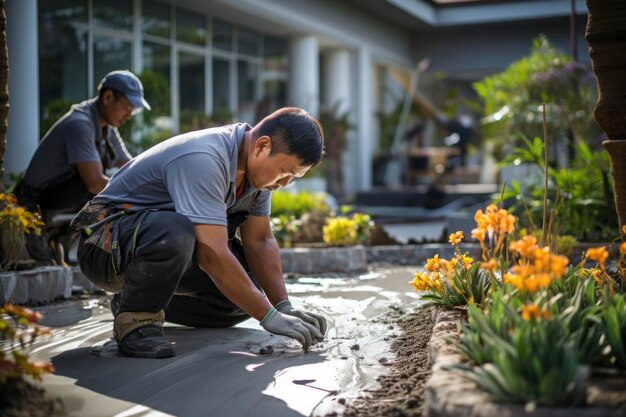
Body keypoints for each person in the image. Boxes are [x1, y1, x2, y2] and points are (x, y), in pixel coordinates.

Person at [70, 107, 328, 359]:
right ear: (262, 146)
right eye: (285, 172)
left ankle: (137, 297)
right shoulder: (204, 157)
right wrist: (269, 317)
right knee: (178, 232)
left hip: (150, 249)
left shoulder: (257, 180)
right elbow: (210, 252)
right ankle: (137, 319)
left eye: (293, 178)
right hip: (103, 247)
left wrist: (282, 307)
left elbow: (259, 241)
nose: (284, 184)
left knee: (247, 293)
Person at [15, 70, 150, 261]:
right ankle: (96, 252)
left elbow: (130, 168)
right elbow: (94, 183)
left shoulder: (108, 129)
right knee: (106, 190)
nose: (129, 115)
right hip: (36, 201)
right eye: (128, 107)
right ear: (108, 97)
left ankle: (80, 244)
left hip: (62, 193)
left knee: (119, 187)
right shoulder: (80, 124)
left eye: (133, 110)